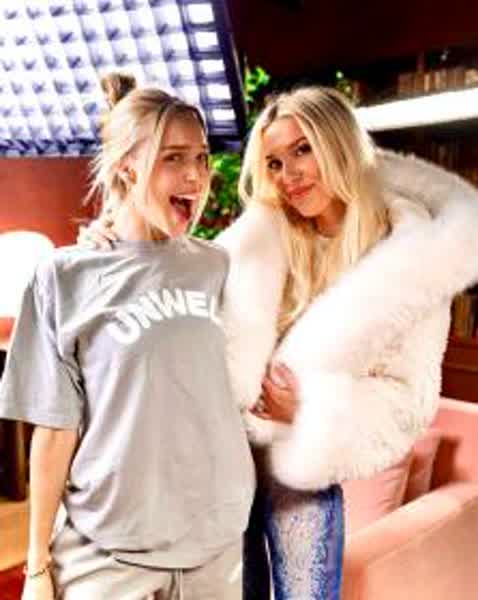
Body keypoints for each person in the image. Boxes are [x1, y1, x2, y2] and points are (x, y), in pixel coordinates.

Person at [79, 86, 478, 598]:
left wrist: (308, 410)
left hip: (298, 468)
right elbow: (177, 290)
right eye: (274, 162)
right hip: (224, 457)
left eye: (302, 150)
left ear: (337, 142)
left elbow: (408, 402)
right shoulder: (258, 237)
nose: (289, 175)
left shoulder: (413, 256)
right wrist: (113, 244)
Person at [0, 74, 256, 600]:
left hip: (215, 542)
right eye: (173, 158)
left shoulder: (217, 266)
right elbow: (54, 430)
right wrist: (36, 565)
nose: (195, 175)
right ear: (126, 167)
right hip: (108, 550)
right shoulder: (63, 276)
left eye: (202, 157)